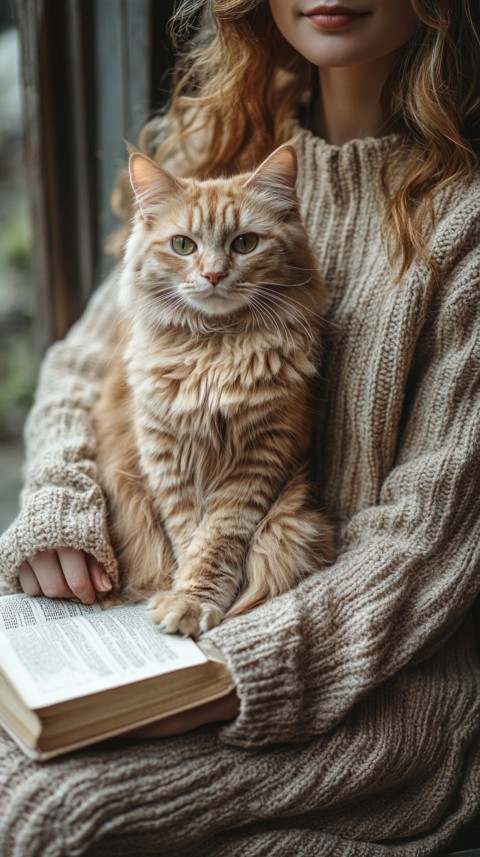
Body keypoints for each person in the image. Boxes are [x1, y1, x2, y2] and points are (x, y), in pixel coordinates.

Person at [0, 0, 479, 854]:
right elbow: (80, 364)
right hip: (158, 611)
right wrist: (61, 501)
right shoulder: (210, 157)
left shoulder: (465, 220)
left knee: (48, 814)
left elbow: (422, 546)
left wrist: (224, 676)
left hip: (358, 671)